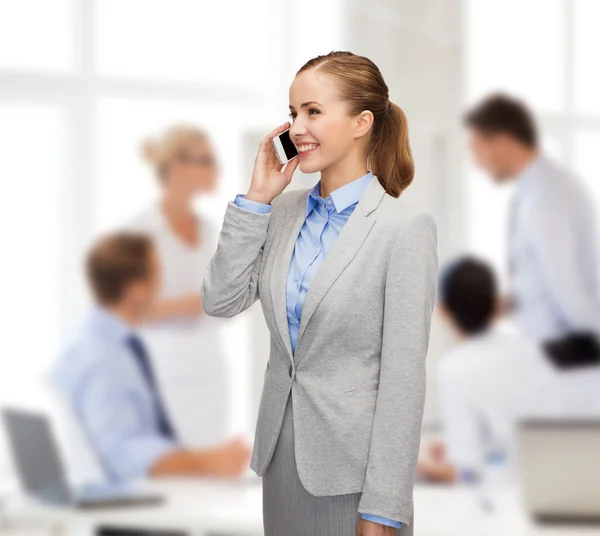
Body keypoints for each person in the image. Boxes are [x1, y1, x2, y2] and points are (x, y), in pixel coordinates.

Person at [202, 51, 438, 536]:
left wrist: (384, 509)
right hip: (280, 467)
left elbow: (403, 380)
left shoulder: (404, 229)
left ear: (361, 122)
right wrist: (256, 200)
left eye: (313, 111)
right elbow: (221, 300)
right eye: (293, 114)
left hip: (354, 480)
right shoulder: (281, 214)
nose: (297, 127)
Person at [53, 232, 250, 482]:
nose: (162, 281)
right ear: (136, 289)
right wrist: (210, 462)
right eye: (157, 271)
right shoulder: (106, 358)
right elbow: (123, 453)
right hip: (126, 507)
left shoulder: (99, 344)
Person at [419, 257, 600, 484]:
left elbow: (468, 472)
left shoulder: (453, 369)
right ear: (499, 304)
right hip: (572, 478)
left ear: (443, 311)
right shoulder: (534, 348)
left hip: (516, 497)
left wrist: (425, 471)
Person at [464, 93, 600, 368]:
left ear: (503, 142)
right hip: (552, 352)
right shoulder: (537, 190)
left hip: (564, 357)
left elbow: (569, 287)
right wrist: (514, 301)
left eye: (478, 149)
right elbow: (550, 276)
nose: (476, 163)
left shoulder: (546, 197)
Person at [128, 126, 231, 448]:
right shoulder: (142, 233)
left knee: (211, 477)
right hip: (161, 369)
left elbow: (222, 300)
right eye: (206, 160)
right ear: (177, 168)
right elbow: (129, 312)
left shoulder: (209, 229)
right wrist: (198, 303)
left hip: (209, 369)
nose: (216, 169)